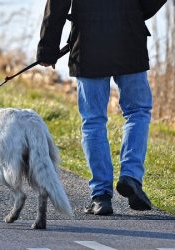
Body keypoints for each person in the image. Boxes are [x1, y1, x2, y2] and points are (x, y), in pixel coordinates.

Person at [36, 0, 167, 215]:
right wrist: (135, 11)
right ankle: (131, 176)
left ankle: (101, 196)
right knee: (137, 112)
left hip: (88, 44)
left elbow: (57, 5)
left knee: (93, 120)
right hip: (129, 37)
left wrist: (47, 50)